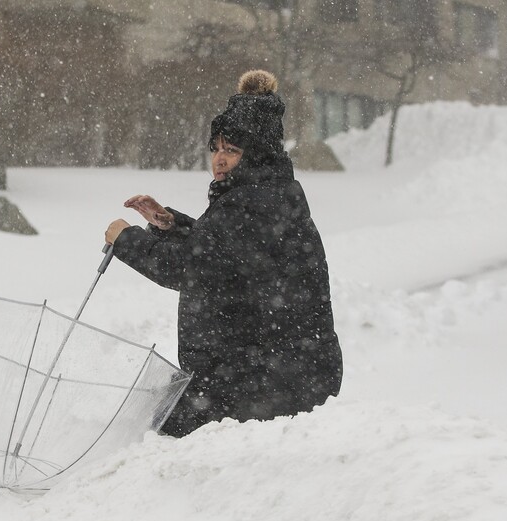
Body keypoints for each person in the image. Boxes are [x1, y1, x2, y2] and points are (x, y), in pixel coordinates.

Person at [104, 70, 342, 437]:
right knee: (163, 417)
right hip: (282, 370)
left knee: (161, 428)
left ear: (257, 155)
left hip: (267, 379)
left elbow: (187, 268)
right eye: (215, 148)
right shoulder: (269, 193)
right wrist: (170, 224)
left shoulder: (249, 204)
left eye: (231, 150)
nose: (219, 159)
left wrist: (126, 239)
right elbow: (220, 254)